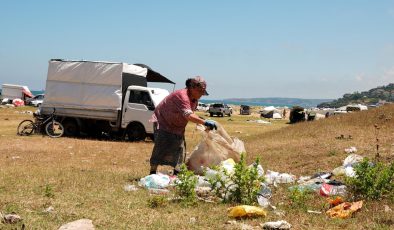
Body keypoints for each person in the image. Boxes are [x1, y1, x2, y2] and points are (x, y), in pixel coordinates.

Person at [149, 76, 217, 175]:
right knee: (160, 147)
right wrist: (204, 122)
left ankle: (177, 173)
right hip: (163, 122)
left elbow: (191, 113)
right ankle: (152, 172)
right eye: (200, 92)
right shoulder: (182, 95)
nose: (201, 95)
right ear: (192, 88)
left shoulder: (194, 99)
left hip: (177, 127)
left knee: (180, 149)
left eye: (202, 93)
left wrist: (201, 121)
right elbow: (188, 115)